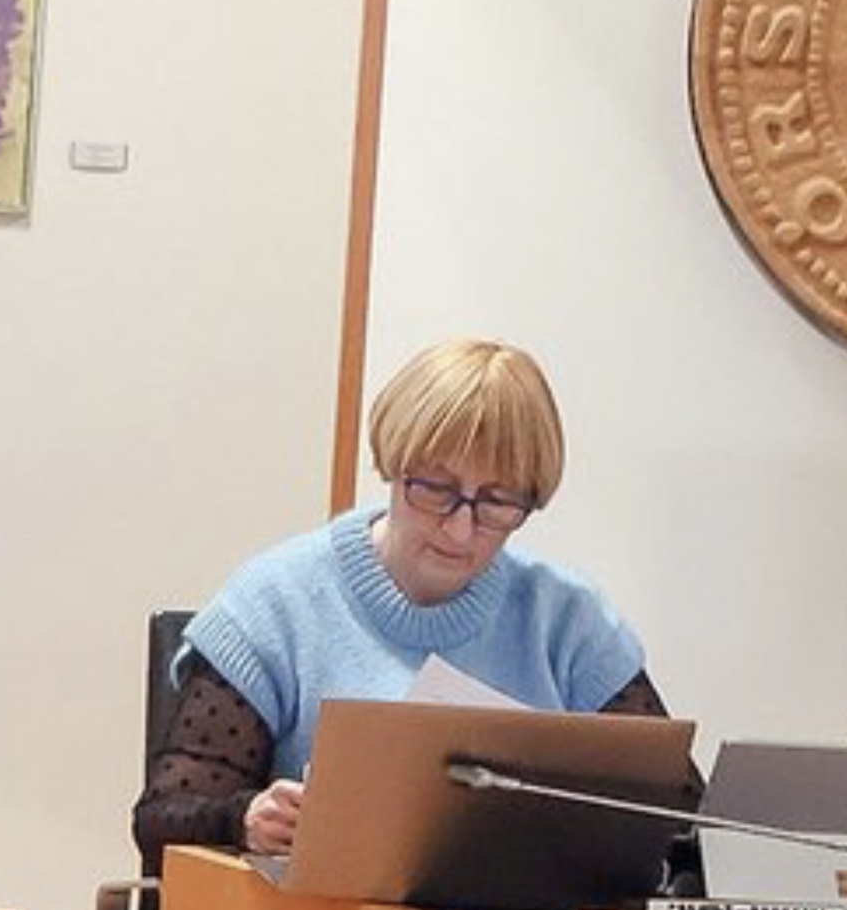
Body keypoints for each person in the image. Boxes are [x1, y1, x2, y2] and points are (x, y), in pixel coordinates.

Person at [135, 337, 671, 863]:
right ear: (394, 465)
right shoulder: (275, 603)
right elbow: (163, 819)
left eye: (498, 502)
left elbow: (679, 822)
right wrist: (245, 818)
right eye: (436, 489)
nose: (460, 530)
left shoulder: (569, 621)